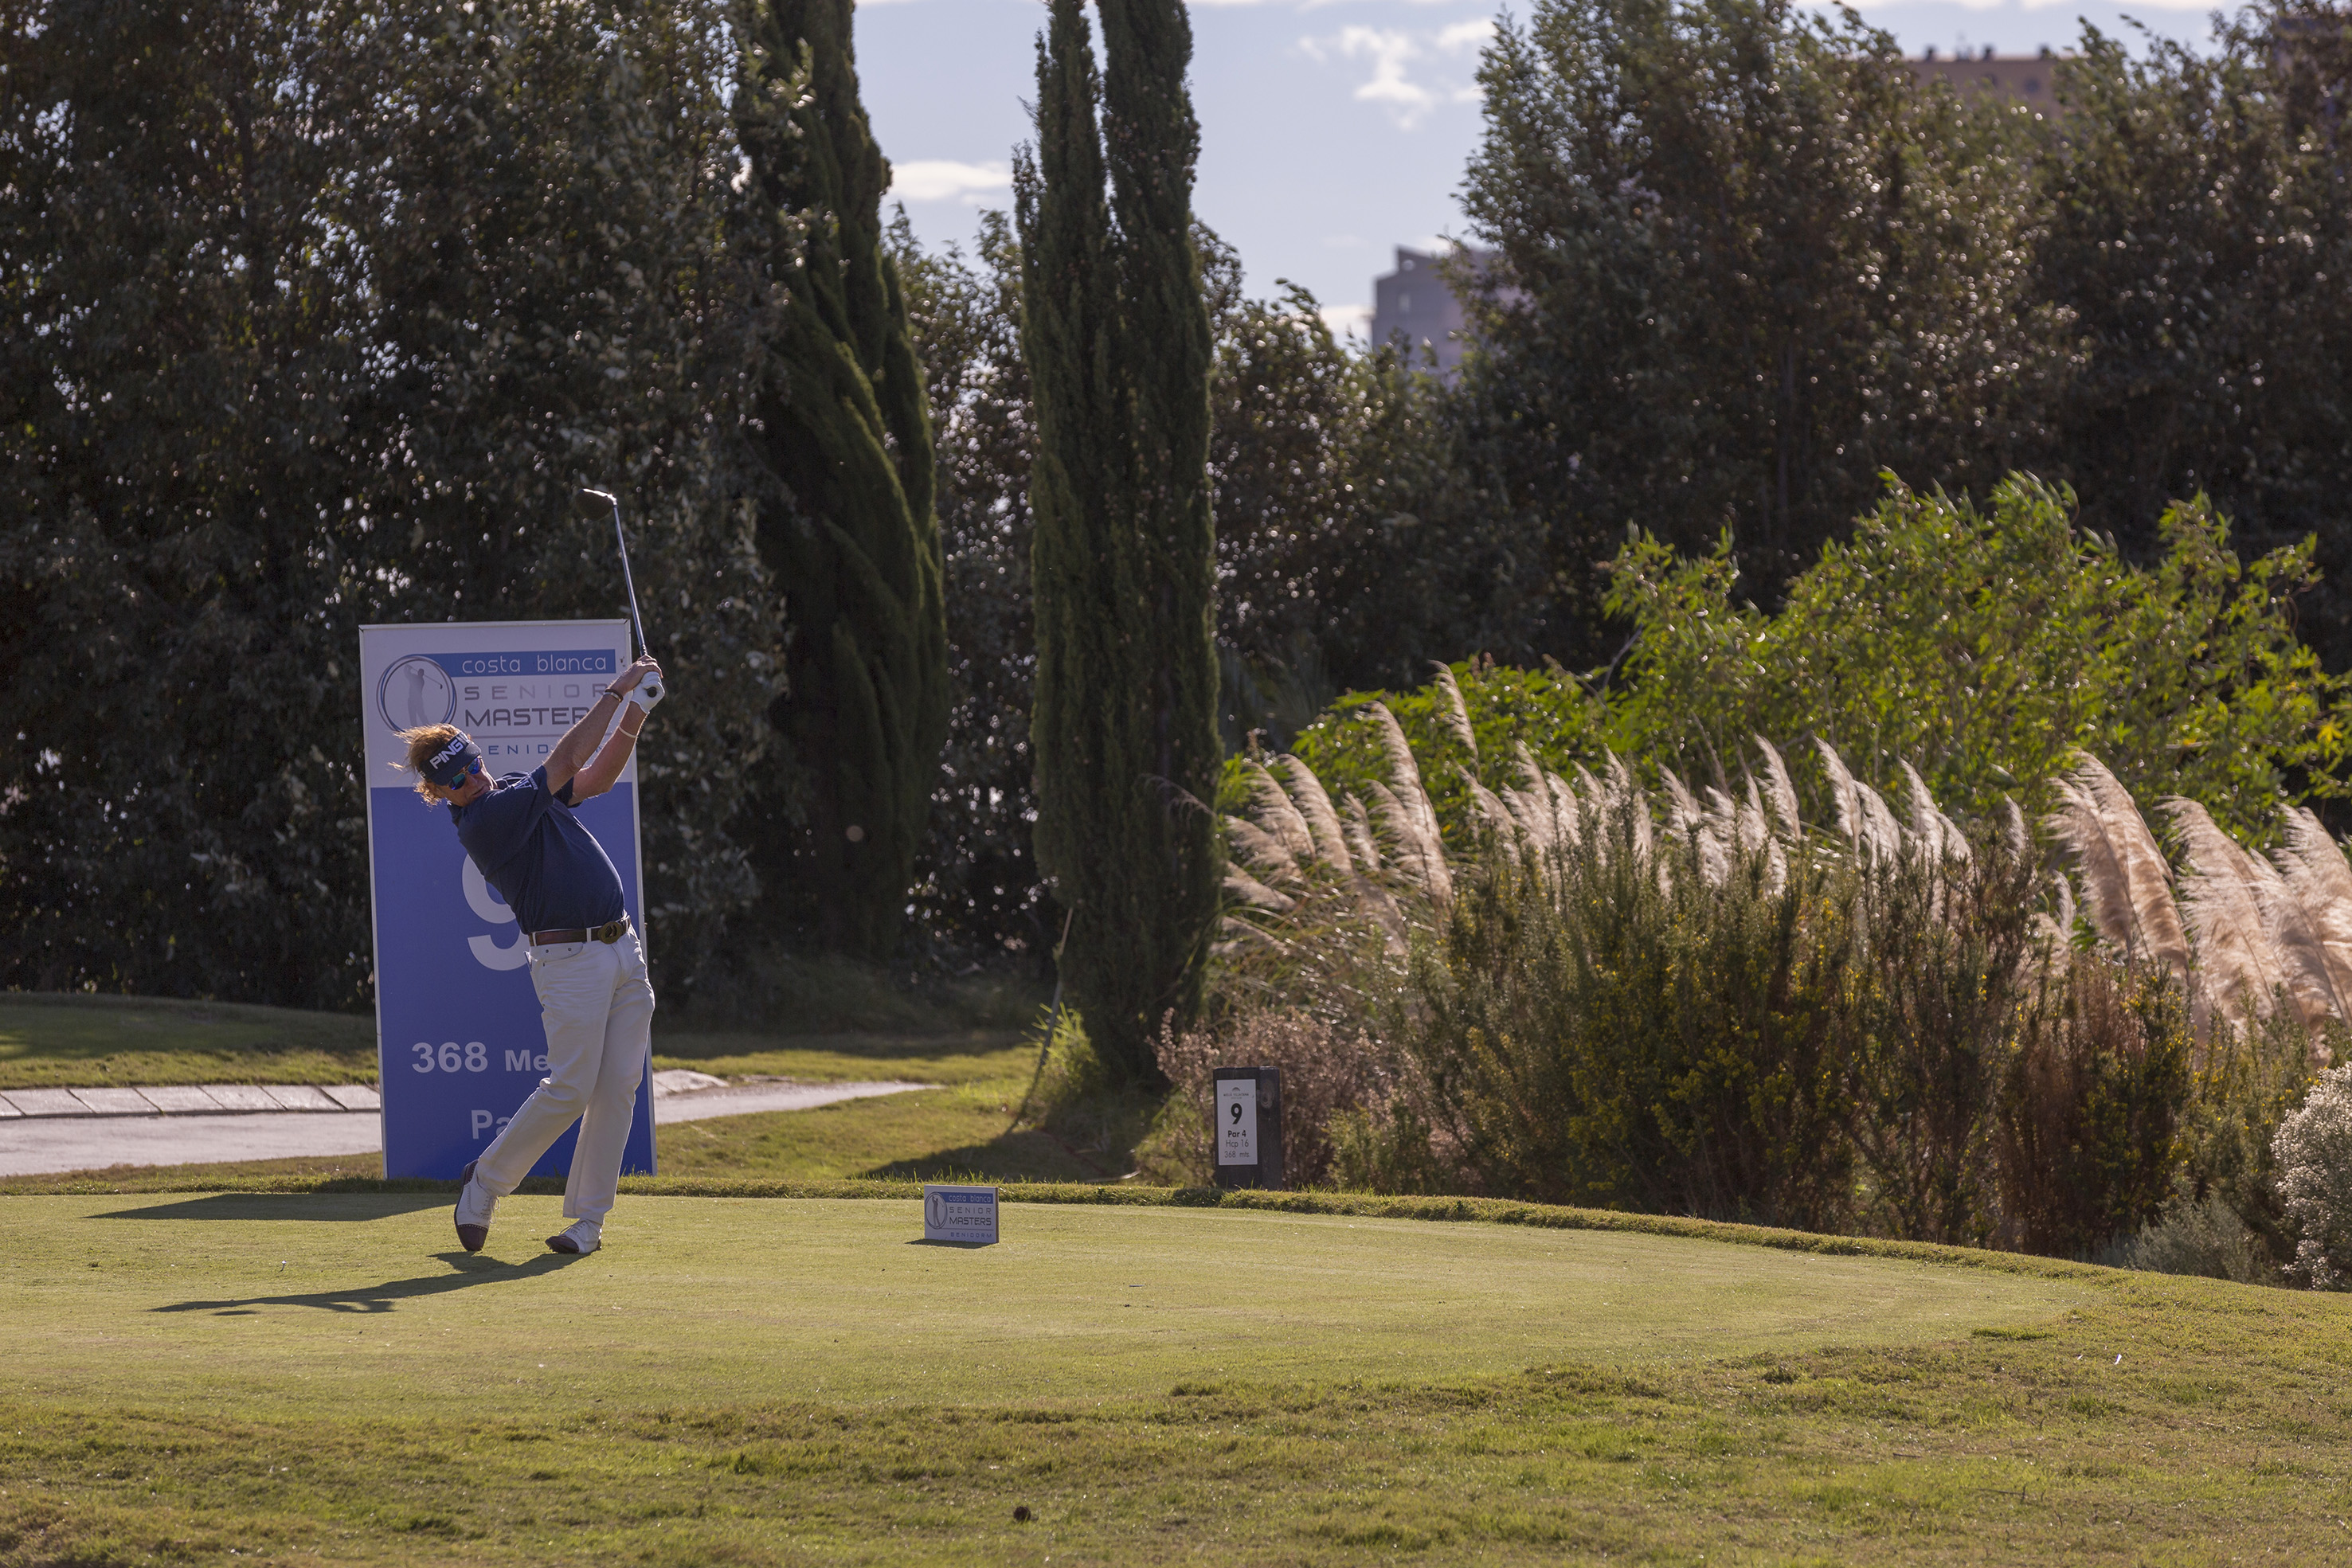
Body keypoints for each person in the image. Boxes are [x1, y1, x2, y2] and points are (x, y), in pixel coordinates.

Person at [395, 655, 664, 1256]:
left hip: (622, 947)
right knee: (570, 1087)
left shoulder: (509, 785)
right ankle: (485, 1182)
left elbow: (593, 779)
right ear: (439, 793)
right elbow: (567, 760)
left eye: (474, 763)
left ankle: (587, 1223)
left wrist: (636, 713)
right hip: (568, 961)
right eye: (457, 778)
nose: (474, 778)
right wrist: (617, 692)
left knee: (617, 1088)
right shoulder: (483, 820)